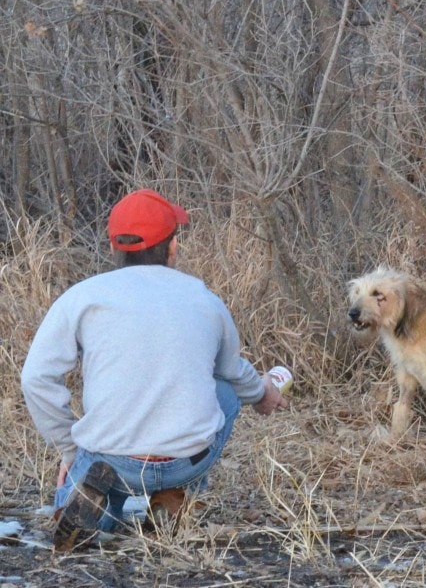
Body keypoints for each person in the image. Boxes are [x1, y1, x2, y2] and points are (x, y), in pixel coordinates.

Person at [21, 189, 289, 552]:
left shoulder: (82, 297)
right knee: (224, 391)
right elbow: (233, 372)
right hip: (187, 460)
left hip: (112, 459)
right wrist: (263, 393)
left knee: (98, 474)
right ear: (172, 247)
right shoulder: (205, 299)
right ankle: (175, 493)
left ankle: (98, 507)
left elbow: (36, 378)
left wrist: (69, 450)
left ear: (114, 244)